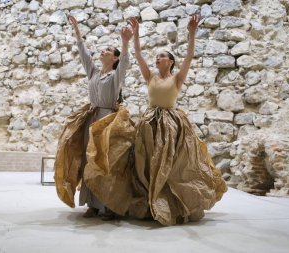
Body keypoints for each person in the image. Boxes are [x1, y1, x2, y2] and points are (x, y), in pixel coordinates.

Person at [129, 16, 227, 225]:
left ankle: (170, 203)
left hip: (171, 124)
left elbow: (190, 57)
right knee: (148, 163)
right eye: (156, 57)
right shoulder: (150, 78)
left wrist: (192, 33)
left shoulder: (177, 78)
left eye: (161, 57)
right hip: (149, 124)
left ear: (171, 62)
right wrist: (136, 32)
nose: (157, 59)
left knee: (170, 166)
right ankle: (151, 203)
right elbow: (137, 55)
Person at [54, 15, 135, 220]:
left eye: (108, 50)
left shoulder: (116, 76)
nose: (103, 51)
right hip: (92, 118)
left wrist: (125, 42)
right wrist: (77, 29)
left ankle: (108, 205)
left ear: (114, 58)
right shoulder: (93, 73)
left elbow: (125, 62)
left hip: (108, 121)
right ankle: (92, 204)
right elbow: (83, 54)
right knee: (88, 161)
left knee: (106, 162)